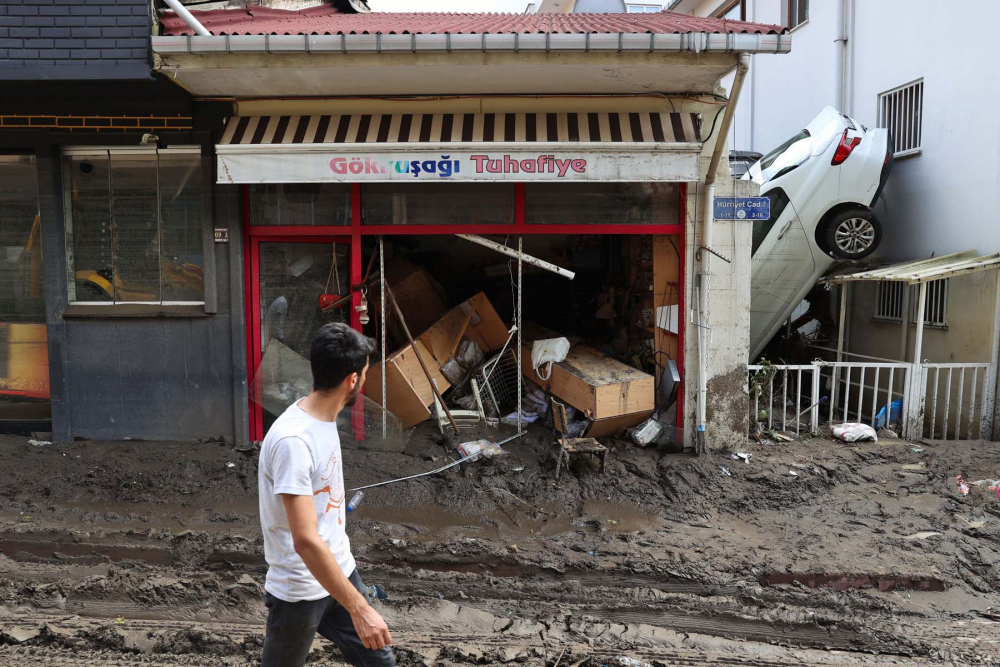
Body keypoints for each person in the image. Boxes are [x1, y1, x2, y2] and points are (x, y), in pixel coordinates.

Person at [258, 322, 394, 667]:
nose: (364, 379)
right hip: (300, 589)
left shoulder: (322, 416)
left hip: (339, 570)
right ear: (352, 380)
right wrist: (361, 608)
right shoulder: (294, 442)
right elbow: (304, 541)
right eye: (364, 373)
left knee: (380, 662)